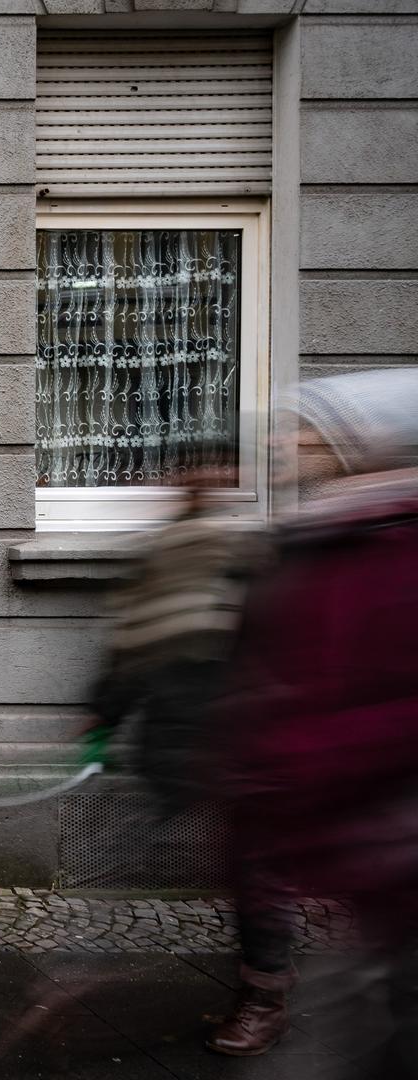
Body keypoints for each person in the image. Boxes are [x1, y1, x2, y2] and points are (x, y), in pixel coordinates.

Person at [222, 369, 418, 1075]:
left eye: (300, 430)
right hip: (323, 817)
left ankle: (266, 999)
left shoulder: (385, 545)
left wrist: (287, 766)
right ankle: (265, 994)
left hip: (374, 832)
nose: (280, 442)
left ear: (349, 446)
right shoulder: (312, 538)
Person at [82, 456, 300, 1056]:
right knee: (155, 850)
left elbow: (274, 646)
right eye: (187, 475)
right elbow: (133, 640)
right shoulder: (168, 552)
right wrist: (106, 708)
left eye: (205, 475)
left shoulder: (245, 557)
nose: (193, 483)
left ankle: (265, 996)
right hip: (177, 736)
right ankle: (86, 971)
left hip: (236, 735)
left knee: (252, 870)